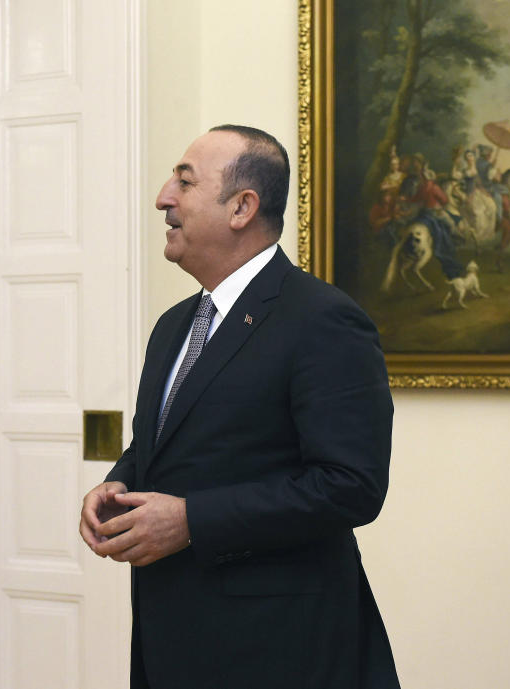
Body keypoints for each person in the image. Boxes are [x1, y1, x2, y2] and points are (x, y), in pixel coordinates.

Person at [79, 125, 399, 689]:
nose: (163, 197)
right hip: (172, 637)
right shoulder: (174, 325)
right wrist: (120, 482)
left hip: (278, 647)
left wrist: (191, 521)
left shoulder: (323, 320)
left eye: (184, 180)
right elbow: (170, 442)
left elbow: (351, 484)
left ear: (242, 207)